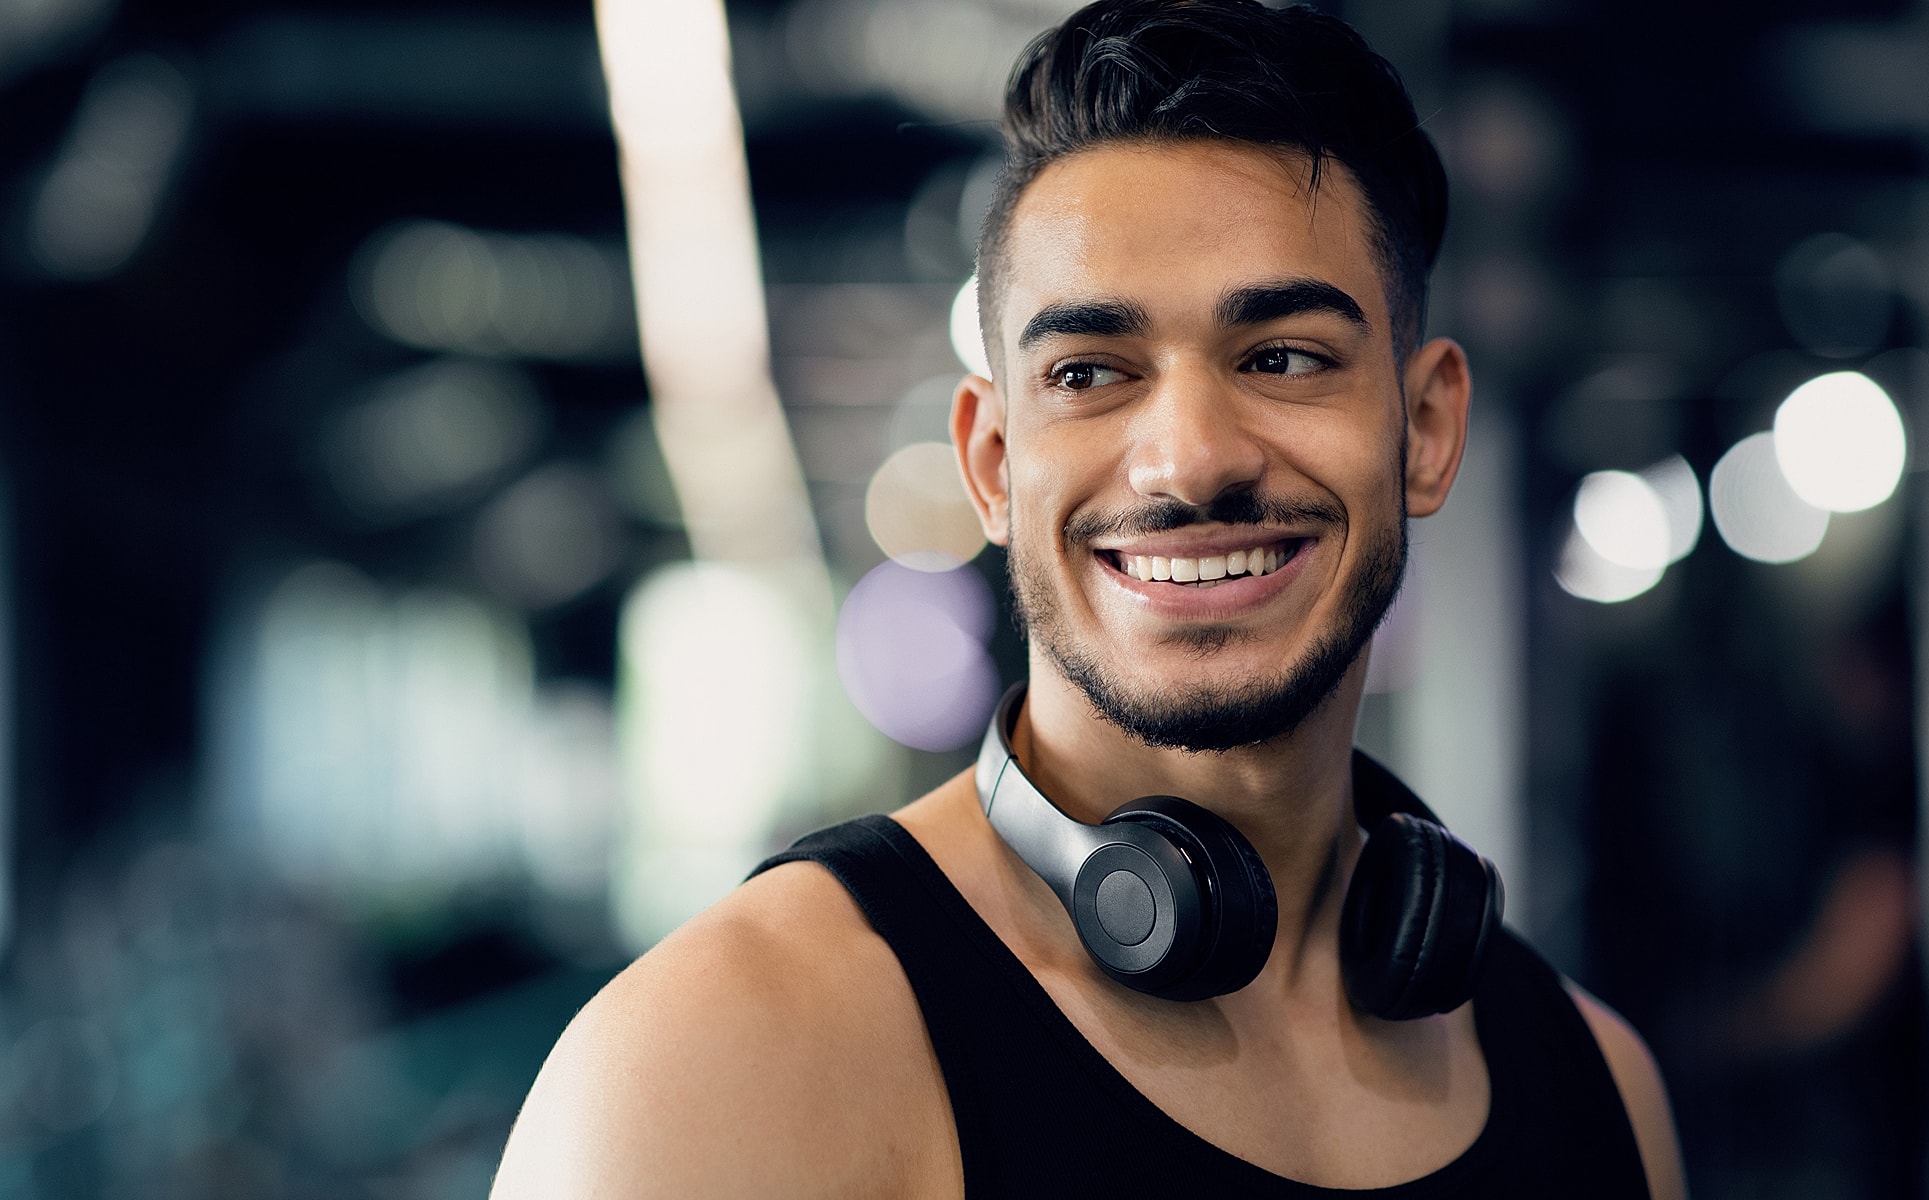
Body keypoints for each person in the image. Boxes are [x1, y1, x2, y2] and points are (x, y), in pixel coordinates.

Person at [493, 1, 1685, 1195]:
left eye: (1281, 357)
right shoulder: (724, 1062)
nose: (1189, 458)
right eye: (1089, 374)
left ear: (1424, 431)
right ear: (993, 463)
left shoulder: (1597, 1086)